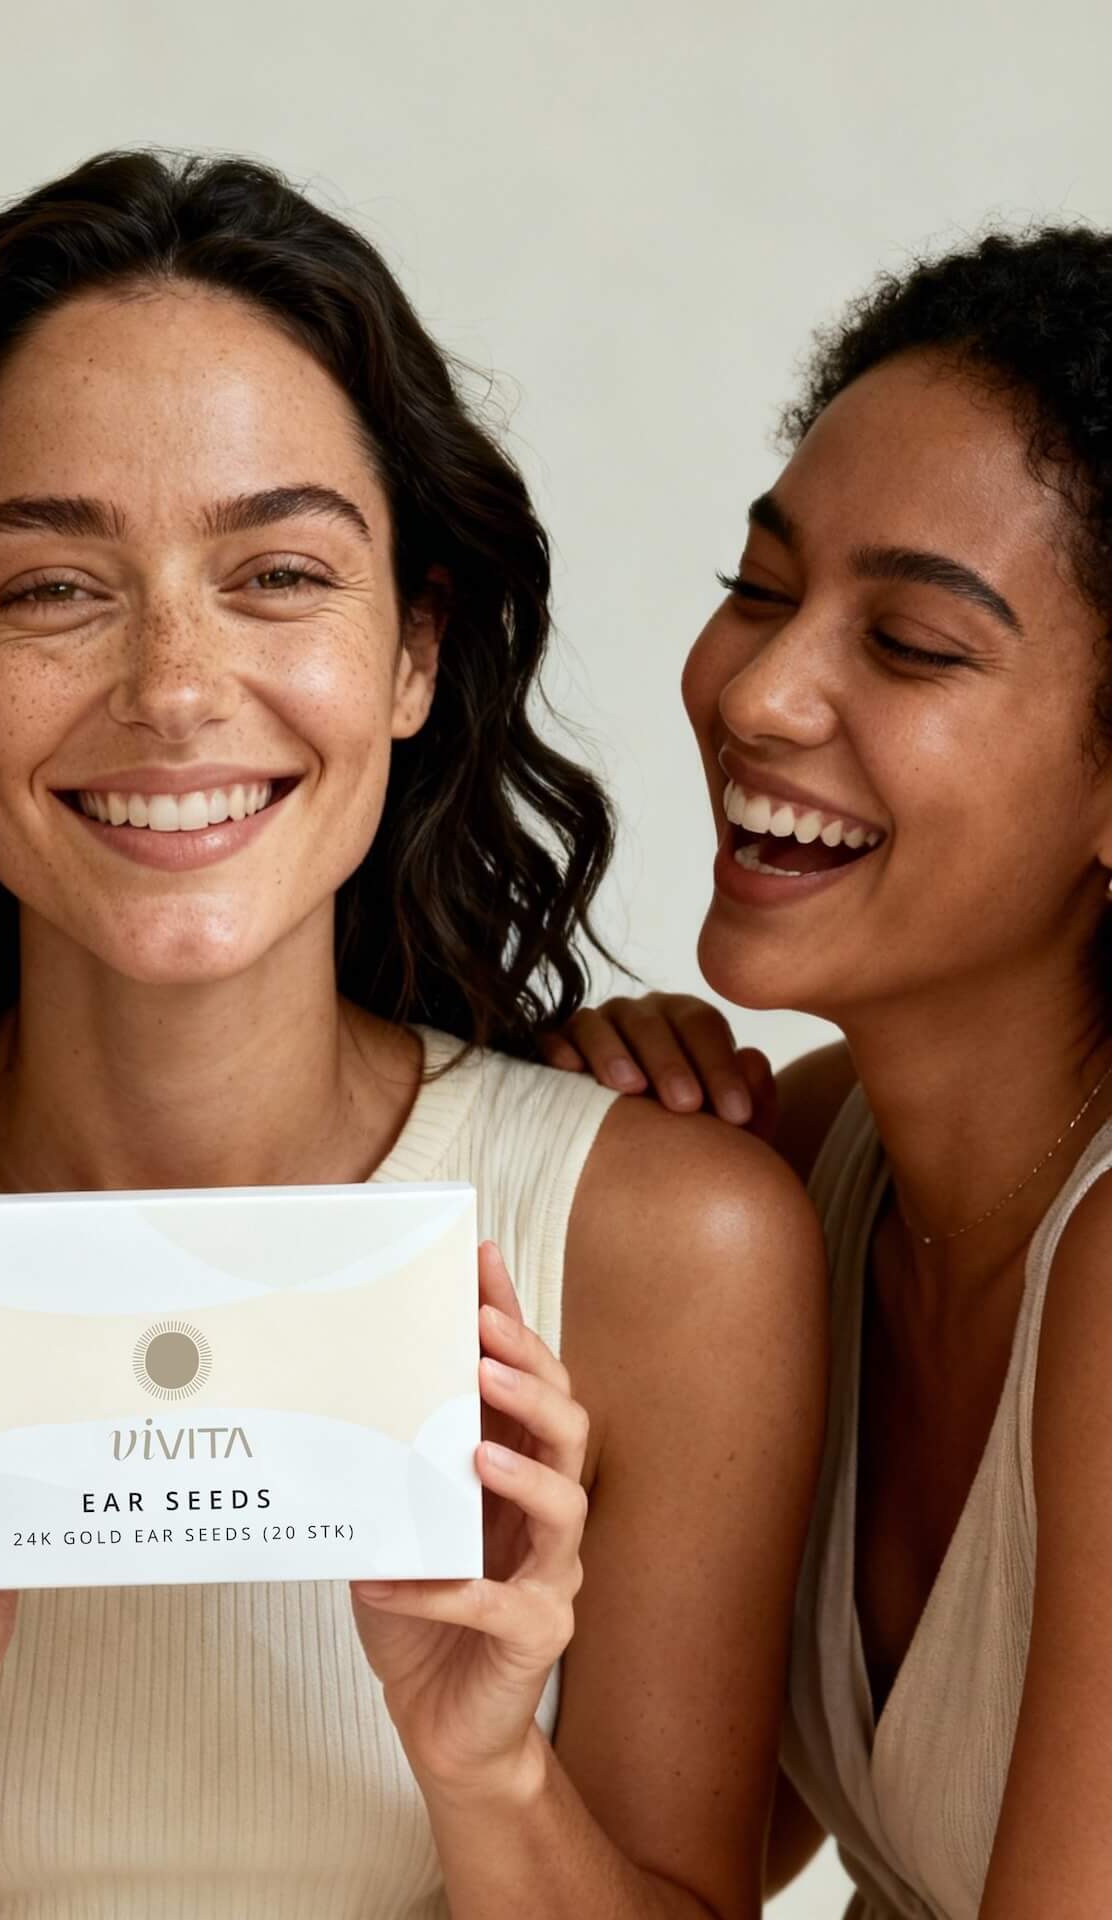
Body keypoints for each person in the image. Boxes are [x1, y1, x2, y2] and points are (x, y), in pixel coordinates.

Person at [0, 150, 824, 1919]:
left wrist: (490, 1771)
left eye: (281, 573)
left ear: (413, 656)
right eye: (54, 589)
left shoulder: (673, 1250)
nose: (171, 687)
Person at [545, 228, 1112, 1916]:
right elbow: (701, 1859)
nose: (765, 694)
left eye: (916, 647)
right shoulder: (797, 1166)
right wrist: (584, 1189)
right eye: (761, 588)